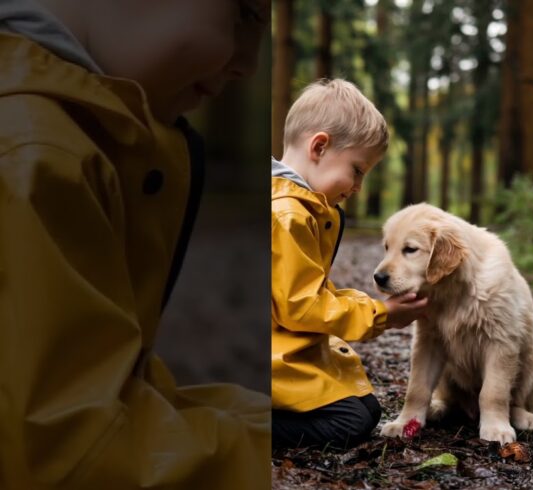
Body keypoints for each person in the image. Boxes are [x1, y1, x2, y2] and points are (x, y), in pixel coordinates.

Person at [0, 0, 271, 488]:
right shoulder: (31, 155)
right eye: (246, 14)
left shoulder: (56, 137)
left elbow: (99, 392)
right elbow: (70, 456)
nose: (248, 66)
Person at [271, 79, 428, 449]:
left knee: (368, 409)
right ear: (319, 146)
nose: (358, 187)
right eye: (357, 170)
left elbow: (306, 291)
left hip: (283, 351)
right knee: (351, 422)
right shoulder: (287, 216)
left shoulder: (305, 210)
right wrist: (381, 314)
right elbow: (301, 306)